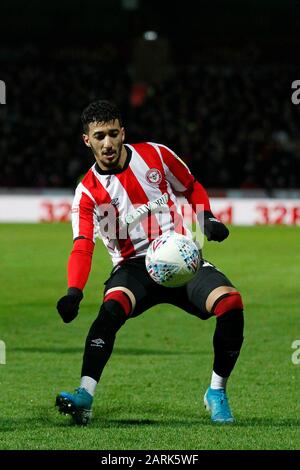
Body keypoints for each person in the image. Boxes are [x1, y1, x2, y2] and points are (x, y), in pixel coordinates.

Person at [55, 100, 244, 425]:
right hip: (132, 267)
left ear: (123, 132)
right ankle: (85, 395)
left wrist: (206, 217)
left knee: (231, 303)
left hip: (180, 256)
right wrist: (74, 291)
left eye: (114, 133)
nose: (108, 143)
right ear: (87, 140)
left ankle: (216, 391)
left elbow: (191, 186)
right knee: (110, 310)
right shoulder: (86, 193)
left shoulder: (155, 154)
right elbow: (83, 245)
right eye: (99, 136)